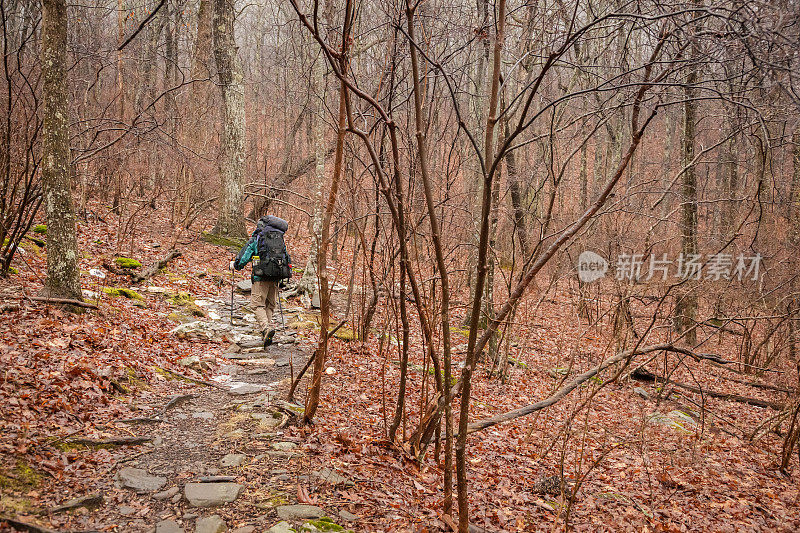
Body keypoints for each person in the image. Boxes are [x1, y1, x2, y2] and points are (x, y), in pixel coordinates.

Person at [231, 215, 292, 347]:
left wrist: (236, 265)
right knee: (269, 305)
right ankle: (266, 332)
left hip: (261, 277)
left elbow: (245, 255)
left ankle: (266, 329)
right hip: (275, 277)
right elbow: (286, 257)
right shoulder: (279, 238)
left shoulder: (258, 238)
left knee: (257, 305)